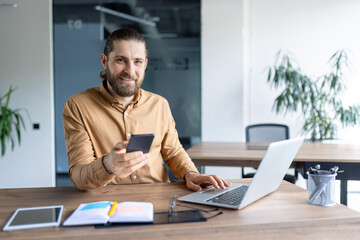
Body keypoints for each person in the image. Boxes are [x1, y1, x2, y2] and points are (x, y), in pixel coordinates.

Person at [63, 28, 230, 191]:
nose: (130, 71)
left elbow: (173, 152)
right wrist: (107, 164)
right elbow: (79, 175)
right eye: (121, 60)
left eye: (137, 61)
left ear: (145, 64)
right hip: (108, 204)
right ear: (105, 61)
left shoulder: (159, 104)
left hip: (158, 201)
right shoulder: (78, 106)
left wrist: (190, 173)